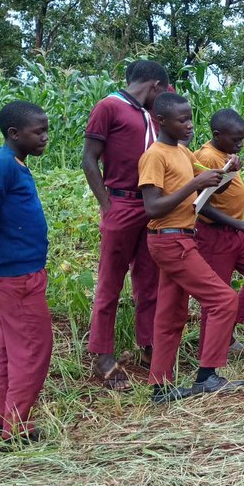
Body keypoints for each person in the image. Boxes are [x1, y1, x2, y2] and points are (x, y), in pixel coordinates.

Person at [138, 93, 244, 404]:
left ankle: (161, 387)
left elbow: (212, 184)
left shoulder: (182, 154)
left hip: (181, 236)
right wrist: (193, 186)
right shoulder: (155, 156)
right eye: (181, 120)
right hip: (169, 239)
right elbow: (152, 207)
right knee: (224, 300)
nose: (189, 125)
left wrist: (228, 171)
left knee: (171, 315)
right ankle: (207, 376)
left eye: (190, 118)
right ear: (161, 121)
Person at [82, 59, 169, 391]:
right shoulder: (109, 107)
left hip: (151, 203)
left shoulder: (149, 114)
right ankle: (102, 354)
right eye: (162, 93)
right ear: (154, 86)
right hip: (121, 202)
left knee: (149, 278)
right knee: (109, 281)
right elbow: (89, 159)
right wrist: (107, 204)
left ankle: (147, 345)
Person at [0, 101, 52, 443]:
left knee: (12, 348)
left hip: (20, 272)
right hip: (17, 275)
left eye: (46, 130)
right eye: (38, 132)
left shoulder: (13, 164)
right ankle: (15, 430)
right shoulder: (0, 167)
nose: (45, 137)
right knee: (33, 347)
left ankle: (3, 421)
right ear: (14, 133)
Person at [193, 109, 244, 355]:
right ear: (217, 134)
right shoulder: (207, 156)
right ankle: (210, 352)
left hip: (236, 232)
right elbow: (203, 203)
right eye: (235, 139)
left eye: (242, 139)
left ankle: (227, 329)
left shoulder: (226, 154)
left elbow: (223, 191)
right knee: (217, 294)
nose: (240, 144)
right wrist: (243, 226)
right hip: (216, 235)